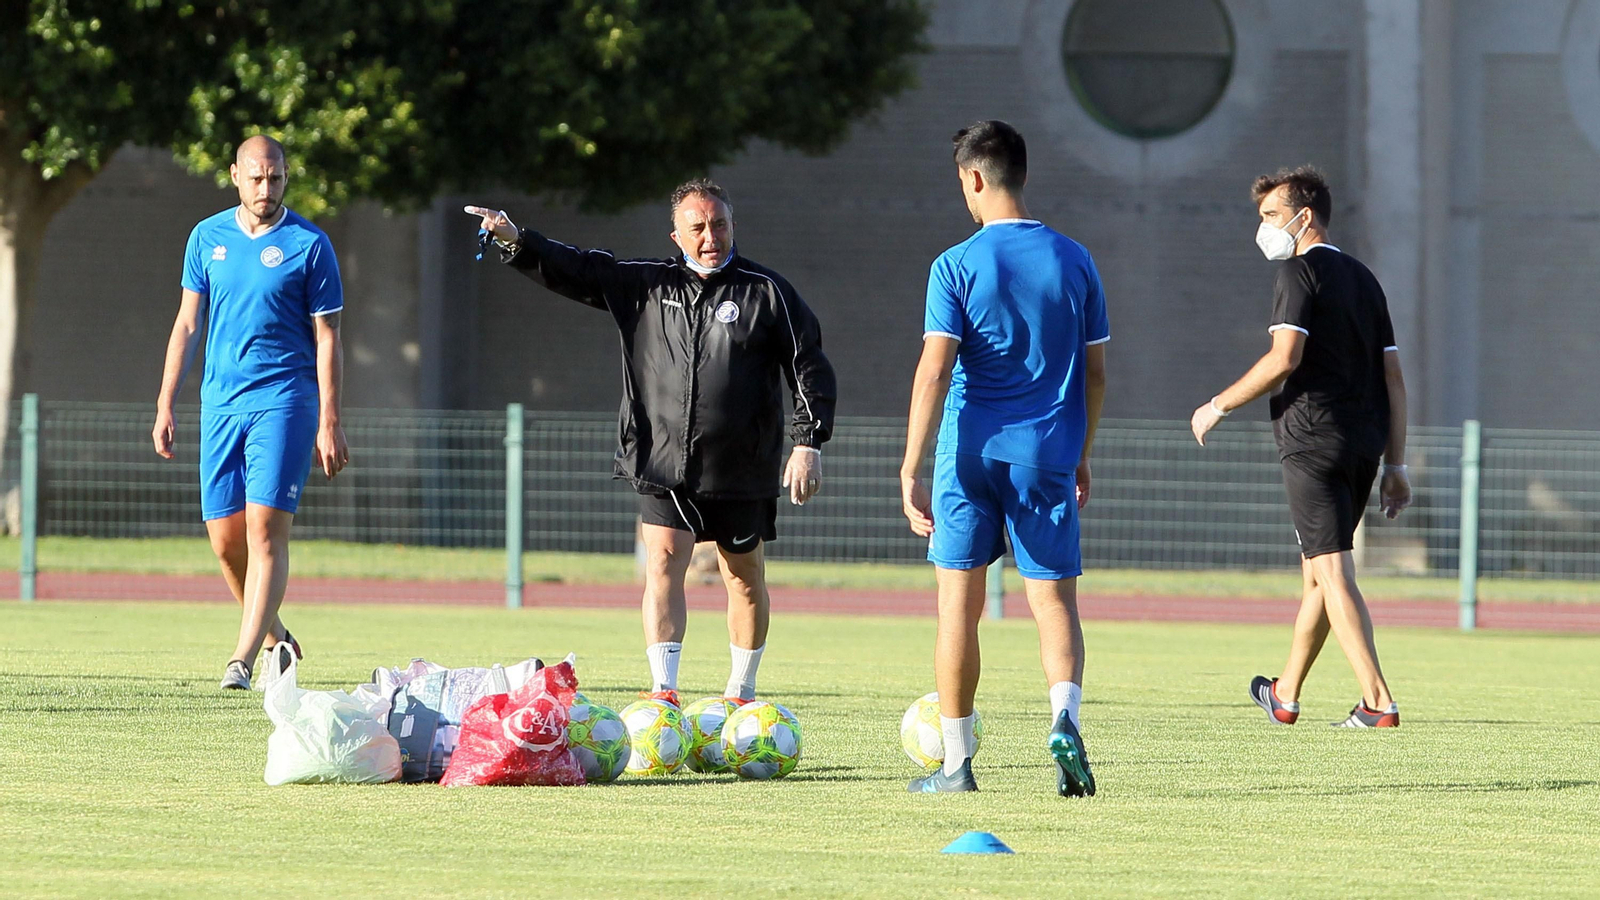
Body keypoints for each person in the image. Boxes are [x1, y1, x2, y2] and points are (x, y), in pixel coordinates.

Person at [465, 178, 836, 708]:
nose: (712, 236)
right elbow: (576, 268)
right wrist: (514, 238)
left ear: (733, 225)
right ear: (676, 234)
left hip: (741, 463)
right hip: (661, 457)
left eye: (721, 223)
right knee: (663, 561)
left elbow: (810, 367)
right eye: (699, 227)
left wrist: (808, 442)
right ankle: (664, 690)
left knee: (744, 575)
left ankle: (741, 693)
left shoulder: (767, 291)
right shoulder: (644, 283)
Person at [900, 121, 1108, 795]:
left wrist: (910, 466)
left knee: (957, 611)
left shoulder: (955, 264)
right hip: (1047, 451)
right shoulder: (1076, 260)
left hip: (970, 453)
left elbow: (935, 371)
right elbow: (1097, 374)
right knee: (1053, 604)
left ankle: (957, 767)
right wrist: (1080, 451)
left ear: (974, 178)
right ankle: (1063, 722)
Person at [1189, 165, 1411, 729]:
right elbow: (1395, 380)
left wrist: (1217, 405)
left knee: (1332, 571)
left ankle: (1378, 700)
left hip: (1312, 438)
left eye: (1269, 216)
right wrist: (1397, 462)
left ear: (1303, 216)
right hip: (1363, 442)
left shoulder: (1298, 272)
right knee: (1318, 568)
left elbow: (1283, 359)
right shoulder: (1366, 280)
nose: (1263, 228)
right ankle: (1285, 692)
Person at [152, 135, 349, 691]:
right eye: (257, 177)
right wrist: (167, 400)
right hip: (220, 404)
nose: (267, 188)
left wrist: (329, 418)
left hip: (285, 401)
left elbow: (329, 337)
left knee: (265, 532)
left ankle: (241, 660)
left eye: (277, 178)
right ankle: (275, 637)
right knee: (224, 540)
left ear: (287, 177)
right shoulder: (206, 237)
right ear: (235, 175)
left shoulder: (310, 244)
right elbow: (188, 324)